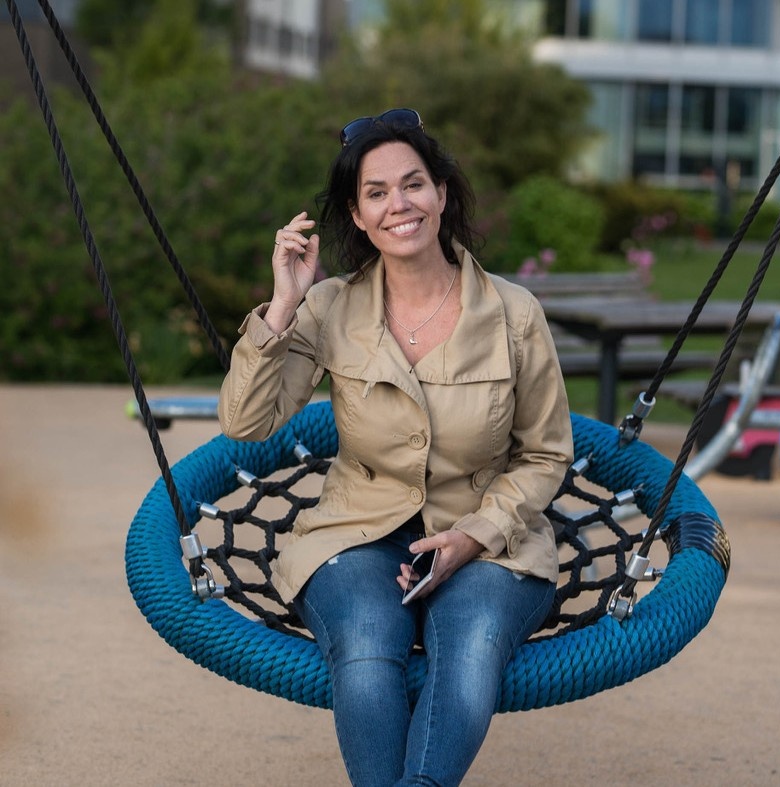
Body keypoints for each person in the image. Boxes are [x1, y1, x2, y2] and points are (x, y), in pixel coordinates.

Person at [218, 108, 573, 786]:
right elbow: (245, 420)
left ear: (441, 192)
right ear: (357, 216)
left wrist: (477, 534)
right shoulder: (329, 307)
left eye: (412, 184)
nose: (399, 204)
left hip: (486, 533)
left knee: (471, 646)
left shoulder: (513, 313)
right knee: (365, 641)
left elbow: (545, 454)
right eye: (376, 193)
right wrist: (283, 304)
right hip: (357, 531)